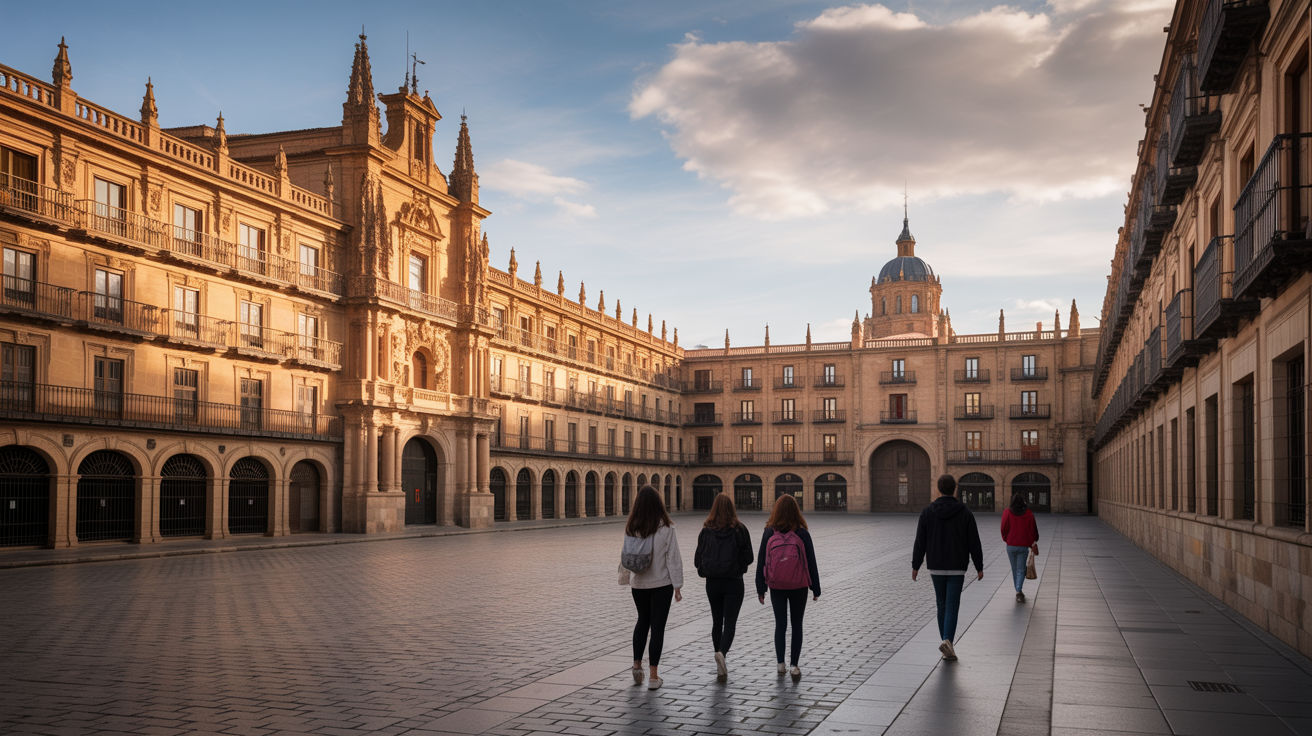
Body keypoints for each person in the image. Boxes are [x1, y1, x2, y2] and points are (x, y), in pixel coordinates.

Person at [912, 474, 984, 661]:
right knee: (952, 605)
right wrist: (979, 566)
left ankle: (946, 643)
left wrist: (916, 565)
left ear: (938, 489)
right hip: (957, 566)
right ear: (955, 489)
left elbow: (920, 541)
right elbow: (974, 541)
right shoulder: (965, 512)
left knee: (941, 605)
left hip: (936, 566)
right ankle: (947, 641)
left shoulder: (927, 512)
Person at [618, 485, 683, 689]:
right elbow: (673, 559)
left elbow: (626, 555)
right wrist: (678, 586)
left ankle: (637, 667)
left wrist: (624, 578)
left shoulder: (632, 527)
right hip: (661, 584)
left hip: (638, 584)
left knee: (642, 622)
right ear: (658, 504)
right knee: (657, 628)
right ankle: (654, 677)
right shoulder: (666, 528)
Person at [755, 494, 820, 680]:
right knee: (797, 624)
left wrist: (761, 588)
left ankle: (780, 663)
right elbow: (811, 562)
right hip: (799, 585)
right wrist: (815, 588)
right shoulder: (802, 533)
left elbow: (762, 561)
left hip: (777, 585)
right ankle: (794, 665)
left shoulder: (769, 532)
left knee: (780, 624)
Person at [694, 492, 754, 682]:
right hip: (734, 582)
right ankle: (722, 654)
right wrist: (737, 564)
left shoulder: (706, 530)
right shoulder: (740, 529)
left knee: (716, 621)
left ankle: (718, 655)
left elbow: (697, 560)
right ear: (732, 508)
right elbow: (749, 557)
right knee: (730, 622)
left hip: (712, 583)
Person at [1001, 492, 1040, 602]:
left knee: (1015, 569)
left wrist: (1006, 539)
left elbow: (1003, 528)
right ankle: (1018, 590)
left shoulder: (1007, 512)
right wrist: (1034, 541)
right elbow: (1033, 530)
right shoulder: (1028, 514)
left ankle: (1018, 590)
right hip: (1023, 546)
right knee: (1021, 569)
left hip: (1011, 545)